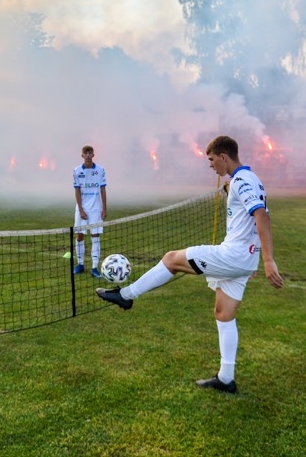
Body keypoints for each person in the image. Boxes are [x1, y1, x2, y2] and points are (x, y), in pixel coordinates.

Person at [96, 135, 284, 394]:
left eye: (211, 160)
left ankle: (125, 295)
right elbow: (251, 209)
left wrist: (268, 260)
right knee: (224, 314)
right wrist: (252, 260)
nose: (210, 166)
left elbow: (261, 216)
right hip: (243, 259)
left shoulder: (241, 181)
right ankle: (226, 379)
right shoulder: (248, 180)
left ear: (223, 157)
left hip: (234, 255)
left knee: (172, 259)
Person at [72, 145, 107, 278]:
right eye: (85, 153)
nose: (87, 155)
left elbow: (103, 189)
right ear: (82, 155)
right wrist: (80, 209)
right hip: (81, 208)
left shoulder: (100, 170)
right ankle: (80, 264)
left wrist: (104, 208)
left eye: (90, 152)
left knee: (95, 236)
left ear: (93, 155)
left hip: (96, 209)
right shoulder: (76, 171)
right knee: (80, 235)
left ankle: (94, 268)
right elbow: (77, 190)